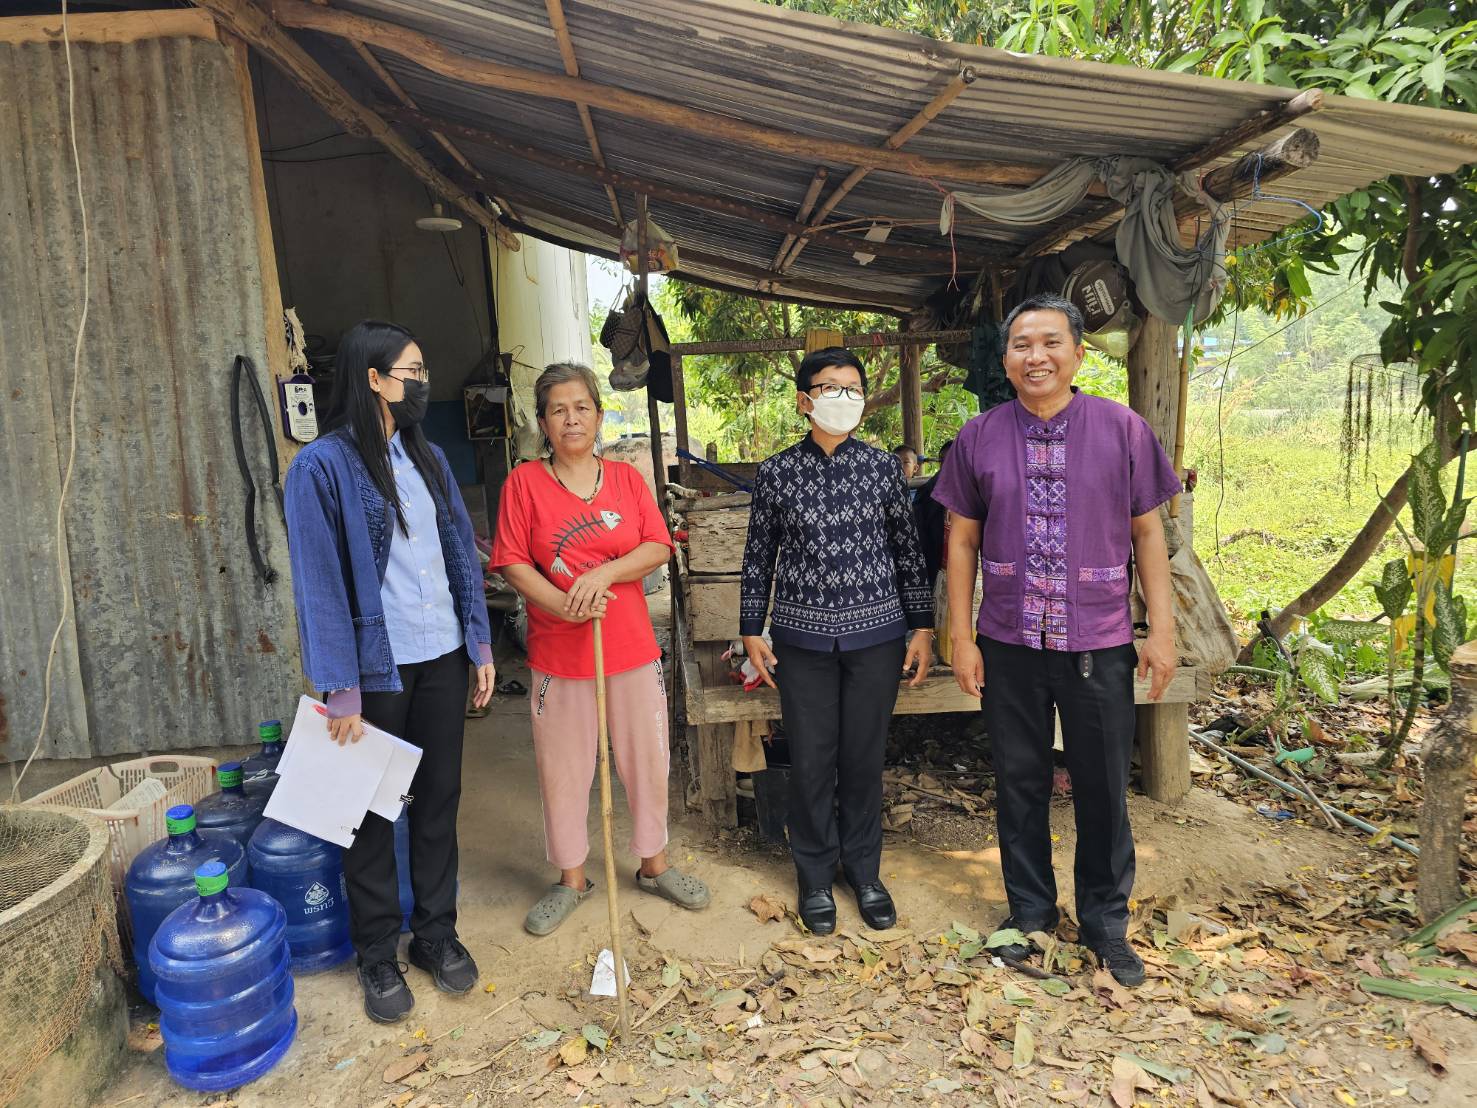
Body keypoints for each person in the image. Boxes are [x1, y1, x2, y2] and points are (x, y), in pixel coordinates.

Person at [932, 294, 1180, 987]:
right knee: (1019, 782)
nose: (1033, 356)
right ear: (1005, 360)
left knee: (1103, 785)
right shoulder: (978, 436)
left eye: (1047, 343)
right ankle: (1030, 916)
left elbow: (1147, 532)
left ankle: (1105, 923)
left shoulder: (1121, 428)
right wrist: (963, 633)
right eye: (1019, 345)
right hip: (1008, 639)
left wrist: (1159, 632)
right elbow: (961, 540)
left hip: (1097, 640)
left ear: (1076, 352)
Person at [284, 320, 495, 1024]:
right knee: (368, 816)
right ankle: (376, 952)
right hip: (375, 673)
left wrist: (480, 645)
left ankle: (435, 934)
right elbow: (317, 583)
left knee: (438, 799)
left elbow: (460, 553)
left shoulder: (427, 455)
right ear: (373, 379)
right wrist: (338, 688)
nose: (423, 381)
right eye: (412, 370)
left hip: (439, 656)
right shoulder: (322, 466)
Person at [492, 362, 710, 936]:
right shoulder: (524, 484)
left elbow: (658, 545)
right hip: (558, 653)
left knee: (645, 757)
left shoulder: (625, 480)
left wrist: (604, 574)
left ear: (599, 413)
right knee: (563, 768)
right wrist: (563, 604)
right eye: (559, 409)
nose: (571, 418)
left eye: (582, 407)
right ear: (543, 421)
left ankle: (653, 863)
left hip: (631, 647)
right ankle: (571, 878)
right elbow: (512, 560)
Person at [740, 347, 934, 935]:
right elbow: (758, 558)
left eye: (853, 390)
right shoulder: (776, 473)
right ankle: (815, 877)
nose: (842, 399)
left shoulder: (881, 470)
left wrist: (922, 627)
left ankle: (865, 872)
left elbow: (907, 553)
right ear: (805, 401)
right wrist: (752, 629)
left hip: (877, 638)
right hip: (801, 643)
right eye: (830, 388)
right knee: (813, 760)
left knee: (863, 759)